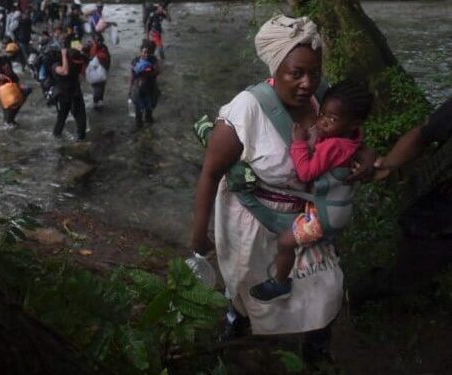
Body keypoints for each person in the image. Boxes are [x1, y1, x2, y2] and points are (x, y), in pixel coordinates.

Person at [189, 15, 375, 362]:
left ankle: (316, 347)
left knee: (326, 286)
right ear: (276, 67)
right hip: (254, 220)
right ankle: (236, 321)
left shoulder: (324, 98)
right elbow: (210, 174)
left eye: (314, 73)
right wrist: (199, 238)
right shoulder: (246, 111)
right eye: (297, 73)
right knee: (248, 287)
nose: (308, 83)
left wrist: (365, 153)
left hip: (306, 215)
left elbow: (349, 132)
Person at [249, 80, 373, 302]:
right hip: (335, 208)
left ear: (354, 123)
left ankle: (279, 283)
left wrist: (299, 144)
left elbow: (306, 173)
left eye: (332, 119)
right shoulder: (351, 139)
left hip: (325, 216)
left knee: (285, 242)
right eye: (322, 114)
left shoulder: (333, 146)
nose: (323, 122)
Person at [351, 98, 452, 303]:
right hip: (438, 215)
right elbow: (423, 135)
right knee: (408, 276)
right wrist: (387, 165)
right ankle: (357, 296)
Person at [0, 43, 31, 126]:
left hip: (8, 85)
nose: (13, 56)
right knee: (7, 105)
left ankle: (10, 120)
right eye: (12, 53)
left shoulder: (8, 60)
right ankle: (7, 122)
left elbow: (11, 73)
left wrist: (18, 83)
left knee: (22, 95)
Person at [52, 46, 88, 141]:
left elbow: (83, 70)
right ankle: (56, 137)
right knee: (62, 118)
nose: (77, 64)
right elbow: (65, 71)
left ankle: (80, 139)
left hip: (75, 93)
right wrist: (64, 54)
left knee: (81, 118)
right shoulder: (56, 65)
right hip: (62, 95)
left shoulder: (77, 63)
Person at [129, 39, 160, 127]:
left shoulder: (153, 60)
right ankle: (139, 123)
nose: (146, 55)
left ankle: (148, 118)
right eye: (144, 52)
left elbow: (157, 72)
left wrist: (148, 71)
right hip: (139, 88)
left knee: (150, 106)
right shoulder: (135, 61)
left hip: (151, 86)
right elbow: (132, 76)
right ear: (141, 51)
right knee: (138, 108)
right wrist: (130, 90)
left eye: (148, 53)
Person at [85, 33, 111, 108]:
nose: (99, 42)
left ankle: (99, 101)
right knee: (97, 87)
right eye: (97, 40)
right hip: (94, 70)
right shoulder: (90, 47)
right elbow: (84, 54)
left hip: (102, 70)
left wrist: (106, 68)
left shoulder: (103, 48)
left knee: (101, 87)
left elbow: (108, 58)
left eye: (100, 40)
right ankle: (96, 101)